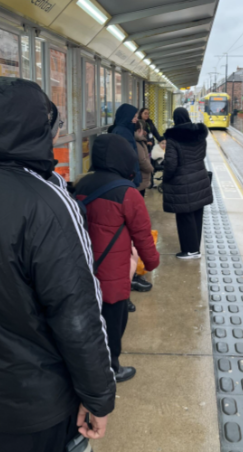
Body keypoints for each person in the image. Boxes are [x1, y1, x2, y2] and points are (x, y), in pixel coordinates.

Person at [0, 78, 115, 452]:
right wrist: (98, 396)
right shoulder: (46, 203)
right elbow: (77, 313)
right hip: (33, 403)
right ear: (29, 131)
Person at [75, 134, 160, 382]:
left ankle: (87, 365)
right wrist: (152, 262)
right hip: (112, 274)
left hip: (83, 268)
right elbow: (143, 235)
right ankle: (110, 369)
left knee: (88, 322)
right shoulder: (127, 192)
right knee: (113, 324)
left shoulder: (81, 184)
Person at [163, 107, 213, 260]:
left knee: (185, 216)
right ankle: (195, 247)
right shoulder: (199, 135)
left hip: (182, 181)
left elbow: (171, 164)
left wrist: (166, 178)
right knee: (197, 214)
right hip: (199, 177)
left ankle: (190, 250)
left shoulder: (173, 139)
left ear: (175, 119)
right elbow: (202, 155)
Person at [109, 103, 142, 187]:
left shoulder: (119, 130)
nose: (136, 119)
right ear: (127, 117)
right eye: (134, 117)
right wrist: (132, 177)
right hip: (127, 177)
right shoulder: (124, 132)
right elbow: (129, 156)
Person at [135, 119, 154, 197]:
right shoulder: (138, 142)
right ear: (139, 130)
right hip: (141, 178)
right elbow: (142, 160)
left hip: (141, 178)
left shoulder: (140, 140)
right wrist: (151, 168)